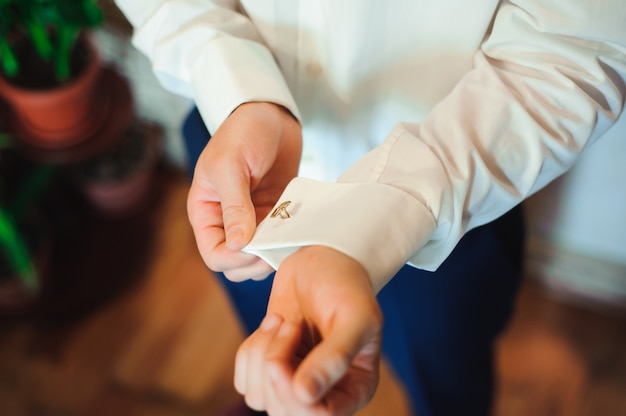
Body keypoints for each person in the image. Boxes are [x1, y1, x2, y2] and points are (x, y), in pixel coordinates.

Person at [114, 1, 626, 415]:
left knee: (446, 371)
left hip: (452, 202)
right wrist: (239, 93)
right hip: (233, 152)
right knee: (268, 329)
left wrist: (387, 211)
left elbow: (577, 46)